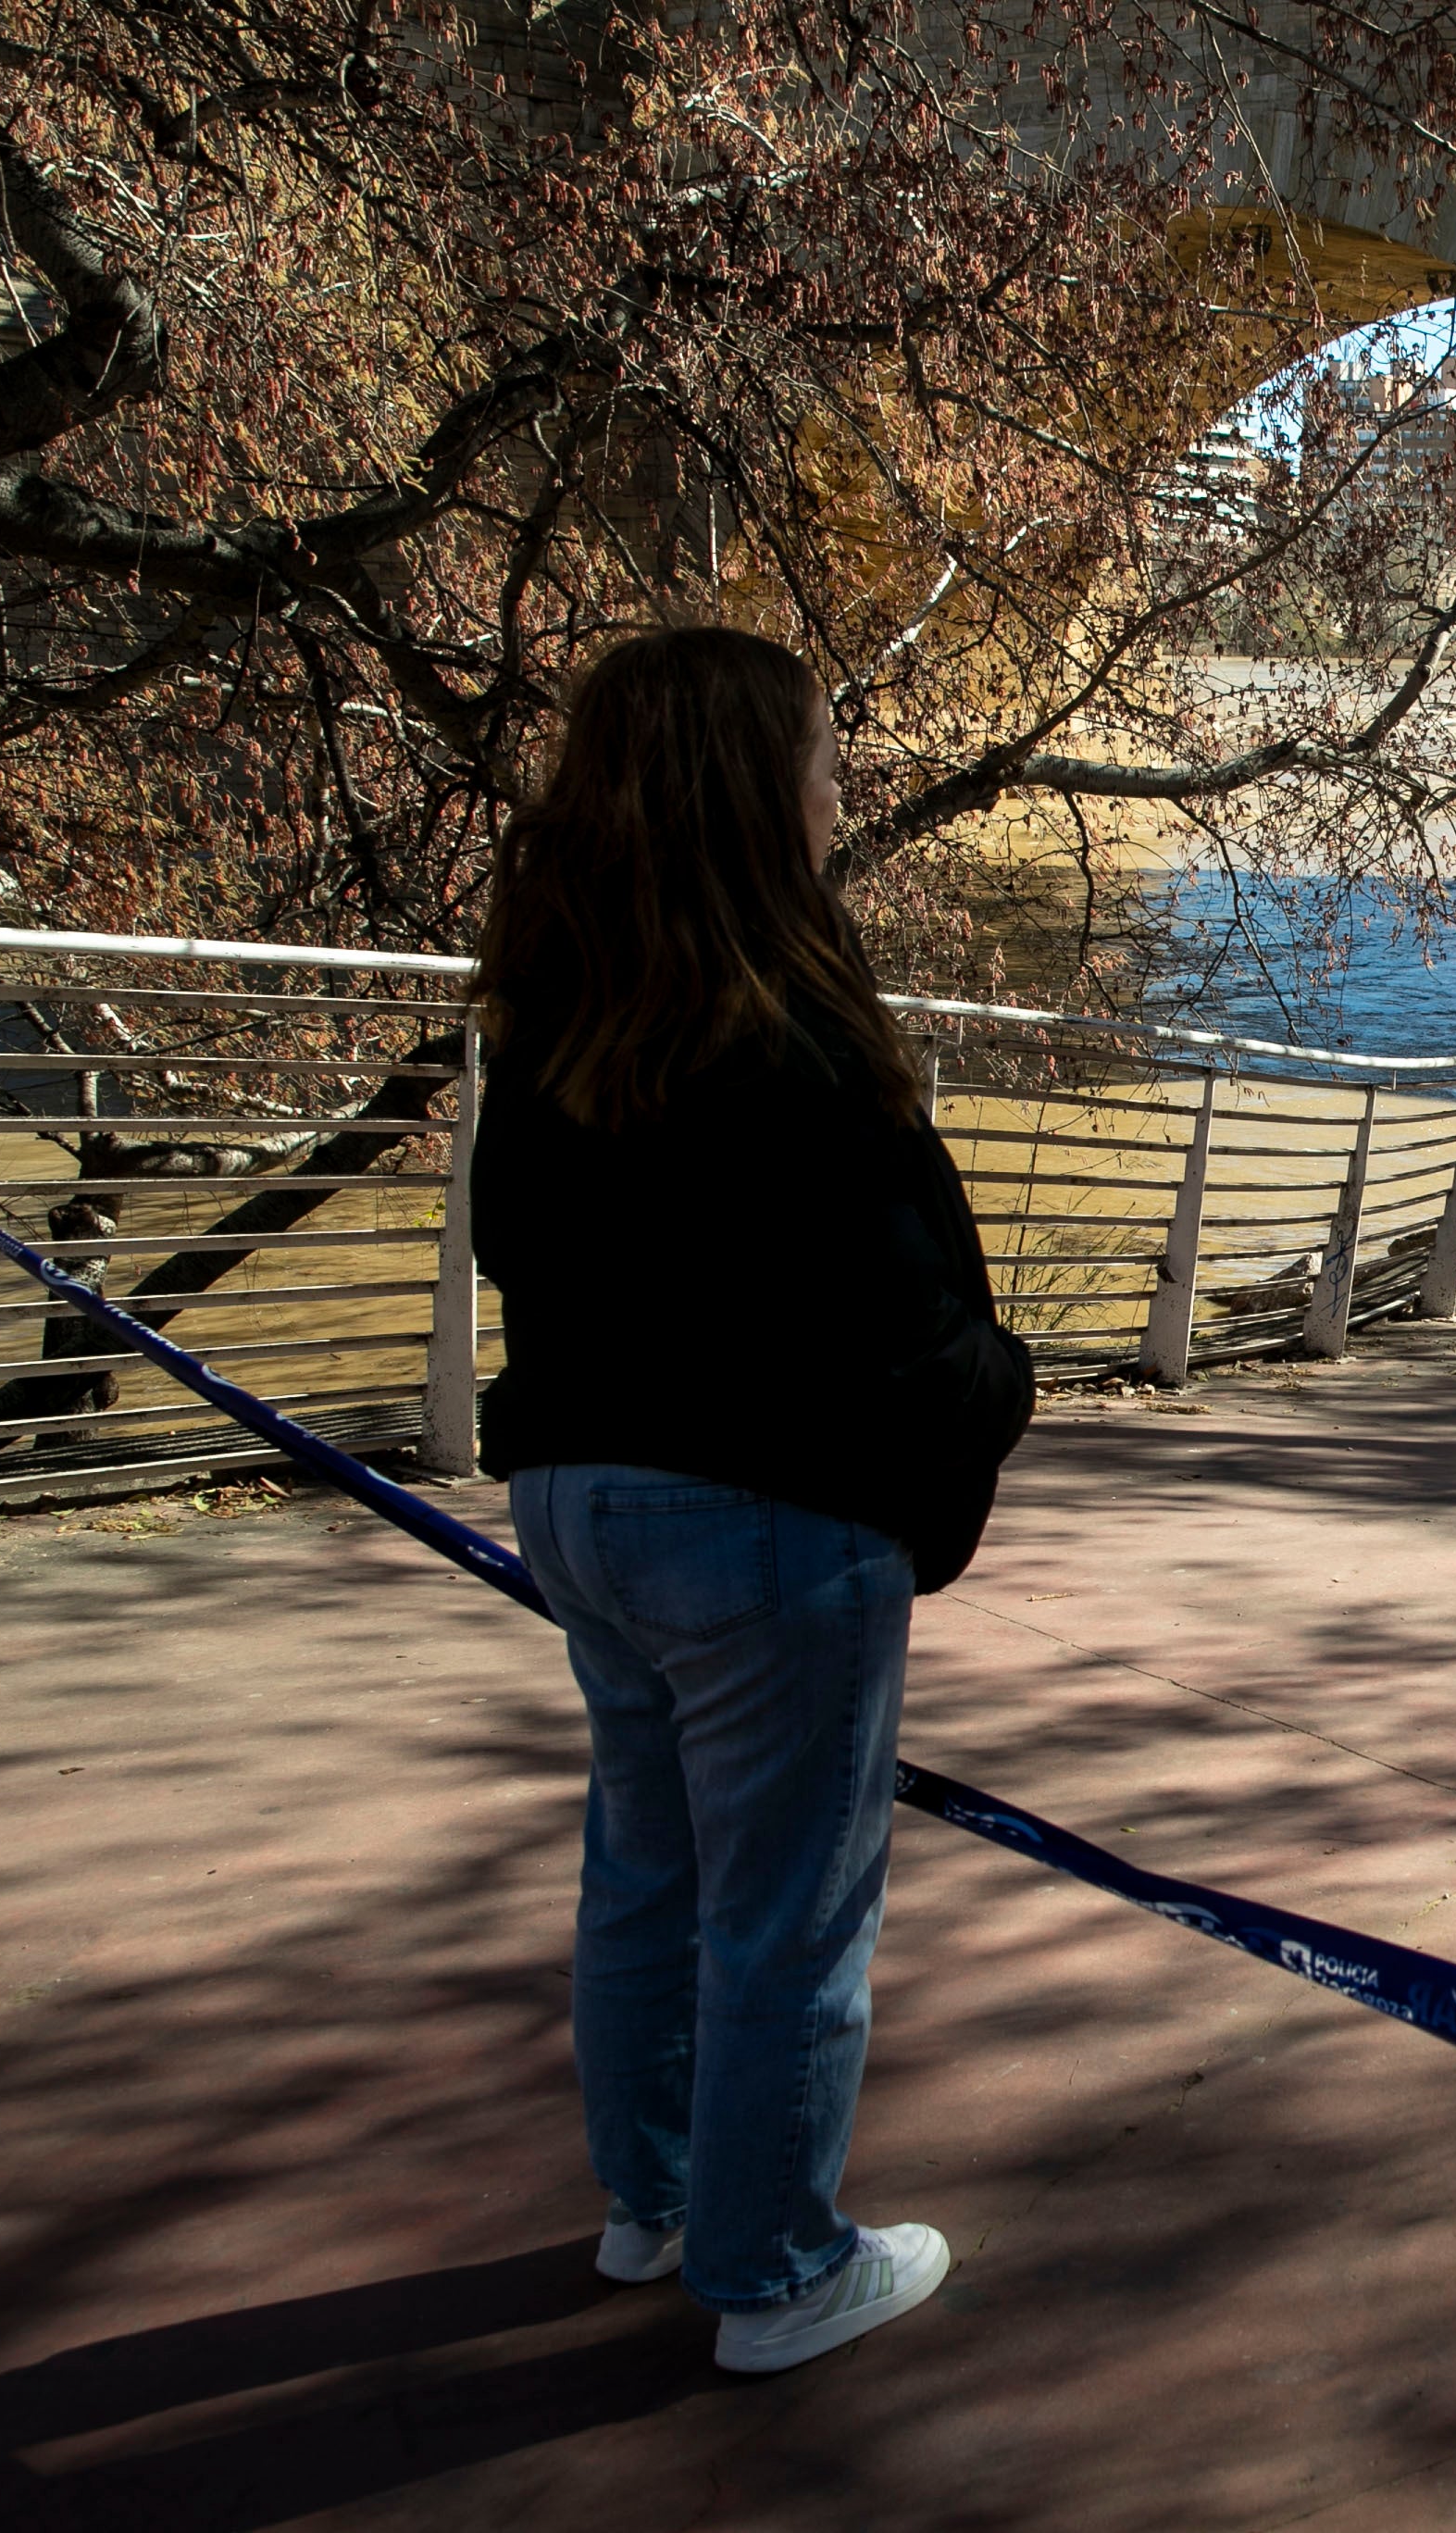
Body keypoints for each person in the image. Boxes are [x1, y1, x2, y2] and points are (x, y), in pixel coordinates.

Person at [469, 626, 1034, 2374]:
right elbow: (907, 1324)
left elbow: (517, 1251)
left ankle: (651, 2200)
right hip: (767, 1531)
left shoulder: (560, 1013)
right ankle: (776, 2270)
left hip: (581, 1504)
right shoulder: (794, 1034)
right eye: (823, 765)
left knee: (644, 1870)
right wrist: (1001, 1394)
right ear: (750, 788)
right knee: (789, 1913)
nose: (839, 795)